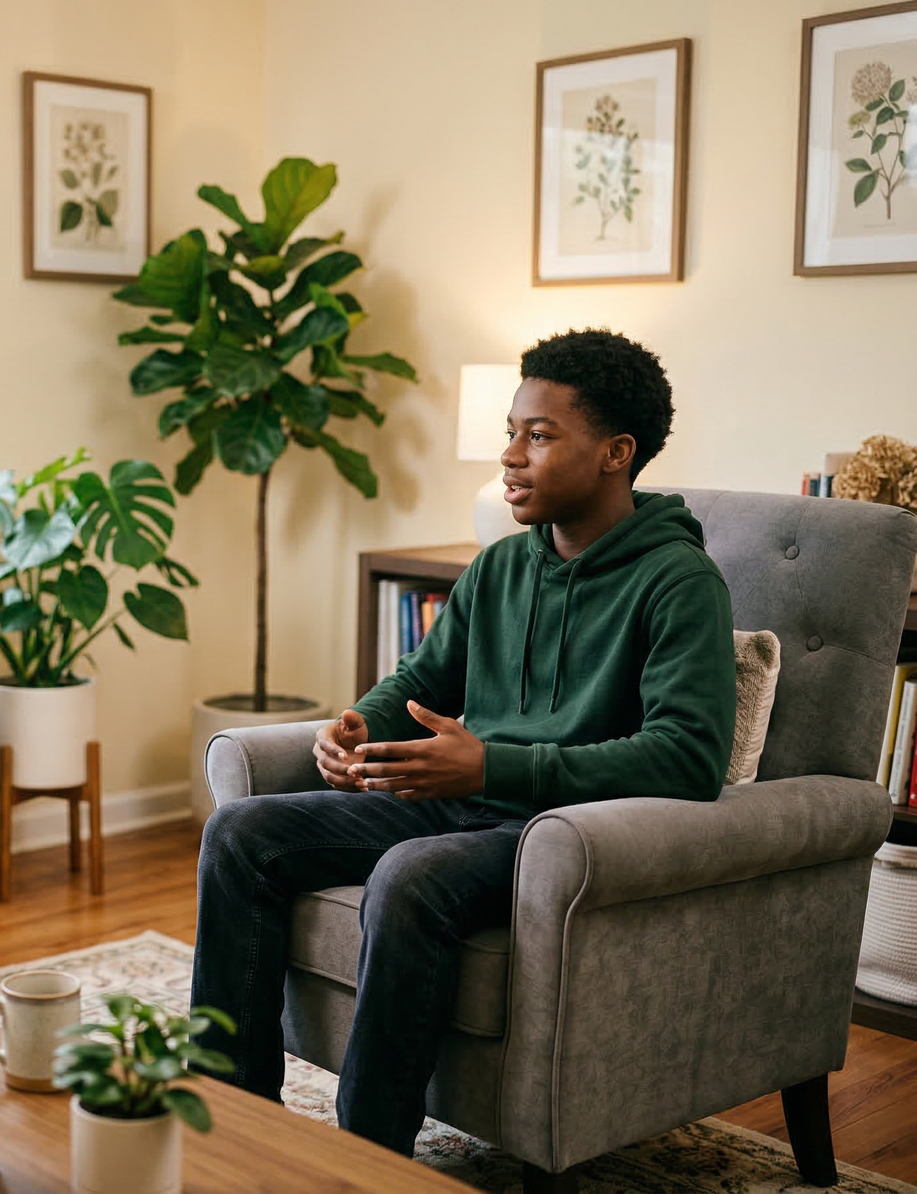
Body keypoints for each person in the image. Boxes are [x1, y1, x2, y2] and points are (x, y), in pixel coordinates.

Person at [190, 328, 736, 1154]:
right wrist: (358, 727)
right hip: (455, 803)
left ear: (616, 453)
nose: (512, 456)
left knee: (411, 876)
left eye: (540, 435)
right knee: (240, 832)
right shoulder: (501, 566)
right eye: (511, 432)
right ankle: (233, 1120)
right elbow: (420, 680)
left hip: (558, 834)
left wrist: (494, 763)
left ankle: (367, 1157)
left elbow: (688, 759)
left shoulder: (678, 583)